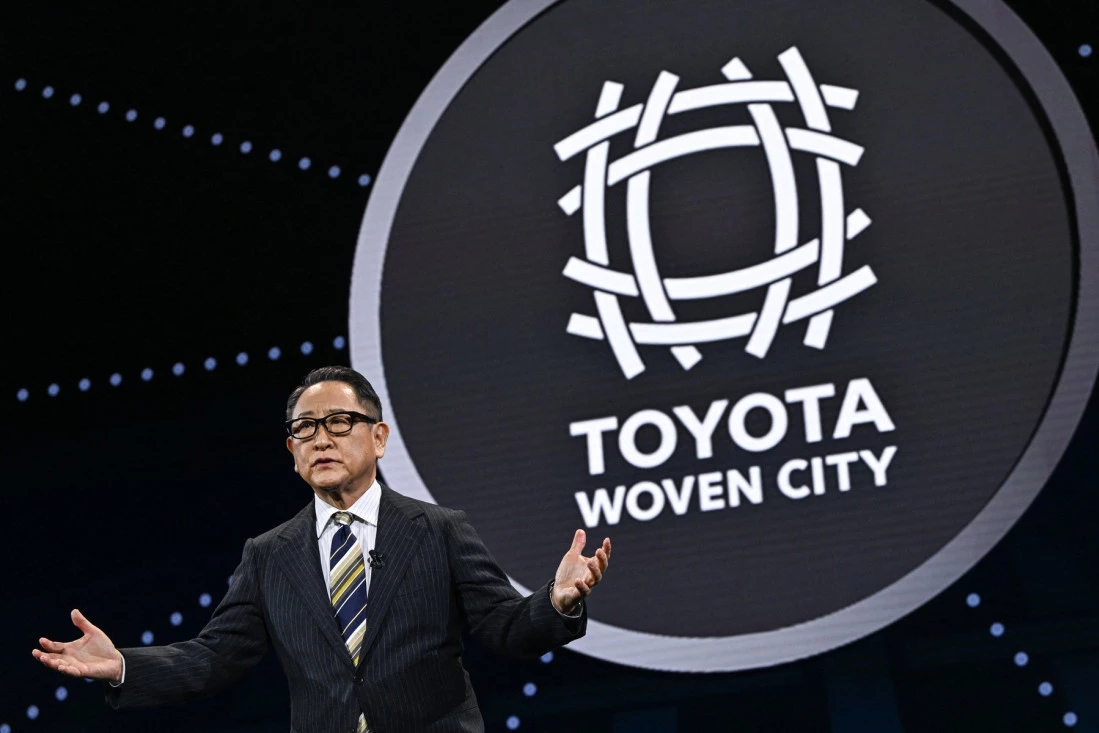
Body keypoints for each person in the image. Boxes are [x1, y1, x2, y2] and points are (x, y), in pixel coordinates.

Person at [32, 366, 612, 733]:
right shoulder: (269, 555)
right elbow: (215, 657)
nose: (321, 439)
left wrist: (556, 601)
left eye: (339, 422)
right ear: (292, 451)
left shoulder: (439, 530)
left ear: (378, 437)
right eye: (304, 429)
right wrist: (123, 665)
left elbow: (505, 628)